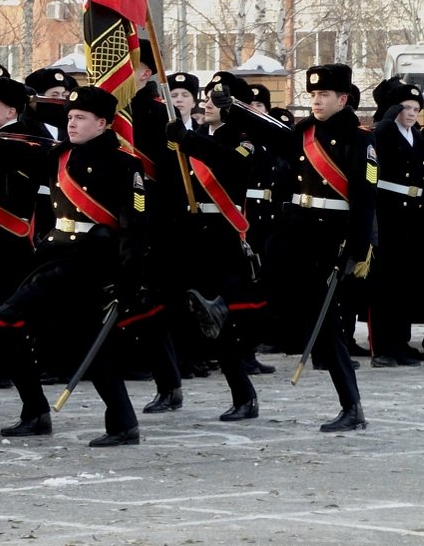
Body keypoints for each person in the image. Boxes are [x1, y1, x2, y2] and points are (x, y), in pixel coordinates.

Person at [0, 86, 148, 446]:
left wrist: (129, 277)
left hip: (92, 262)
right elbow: (26, 153)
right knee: (84, 345)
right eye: (69, 117)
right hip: (56, 253)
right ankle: (123, 423)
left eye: (81, 118)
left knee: (28, 301)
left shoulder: (125, 165)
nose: (72, 123)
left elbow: (136, 227)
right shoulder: (60, 155)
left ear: (102, 123)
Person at [223, 63, 375, 432]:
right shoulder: (305, 132)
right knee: (259, 302)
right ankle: (242, 389)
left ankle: (351, 406)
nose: (317, 101)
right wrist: (233, 108)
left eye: (324, 95)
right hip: (295, 232)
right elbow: (271, 133)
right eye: (313, 95)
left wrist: (356, 247)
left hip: (331, 236)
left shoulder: (360, 140)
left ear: (343, 98)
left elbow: (365, 195)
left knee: (325, 323)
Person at [167, 73, 263, 422]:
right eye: (205, 96)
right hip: (191, 233)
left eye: (215, 98)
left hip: (222, 235)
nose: (206, 103)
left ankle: (243, 395)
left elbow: (233, 164)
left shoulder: (244, 138)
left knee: (223, 322)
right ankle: (170, 385)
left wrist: (189, 141)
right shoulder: (195, 137)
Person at [369, 81, 424, 367]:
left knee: (404, 282)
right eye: (406, 108)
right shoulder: (385, 131)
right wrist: (389, 116)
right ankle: (382, 347)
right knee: (384, 283)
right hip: (388, 212)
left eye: (416, 108)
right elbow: (376, 142)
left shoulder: (417, 136)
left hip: (412, 217)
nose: (412, 113)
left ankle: (400, 343)